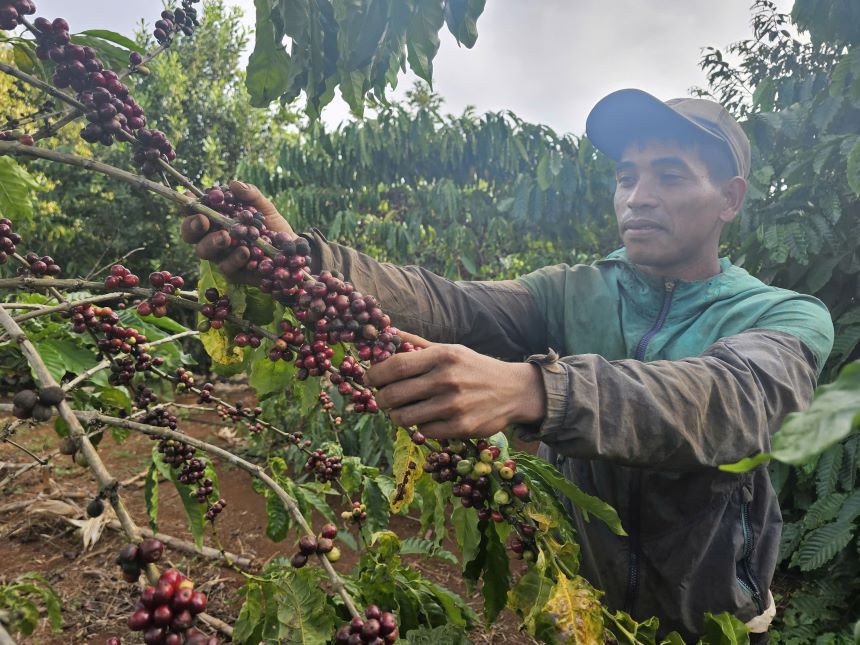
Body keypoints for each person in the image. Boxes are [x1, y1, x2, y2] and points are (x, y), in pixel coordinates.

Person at [182, 89, 834, 641]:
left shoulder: (786, 315)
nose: (638, 195)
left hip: (716, 616)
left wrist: (535, 388)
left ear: (729, 198)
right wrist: (308, 266)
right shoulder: (571, 289)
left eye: (669, 175)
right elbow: (454, 305)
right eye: (626, 175)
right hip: (588, 608)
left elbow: (729, 402)